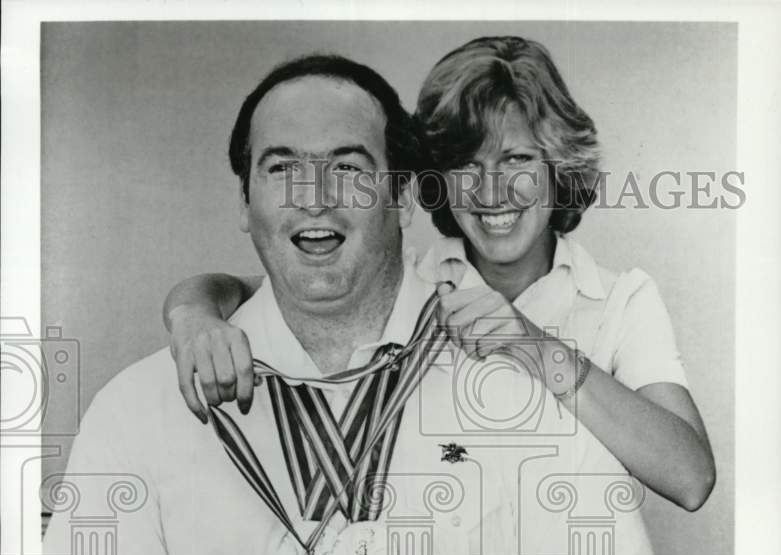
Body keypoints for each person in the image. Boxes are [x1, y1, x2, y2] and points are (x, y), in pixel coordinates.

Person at [42, 53, 672, 555]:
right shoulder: (143, 397)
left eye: (349, 168)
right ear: (244, 201)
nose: (314, 197)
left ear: (404, 193)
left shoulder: (527, 377)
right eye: (282, 168)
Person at [163, 36, 715, 513]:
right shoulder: (414, 277)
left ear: (558, 168)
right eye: (467, 167)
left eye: (517, 161)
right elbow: (245, 290)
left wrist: (533, 345)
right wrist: (192, 316)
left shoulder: (619, 298)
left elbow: (690, 479)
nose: (492, 191)